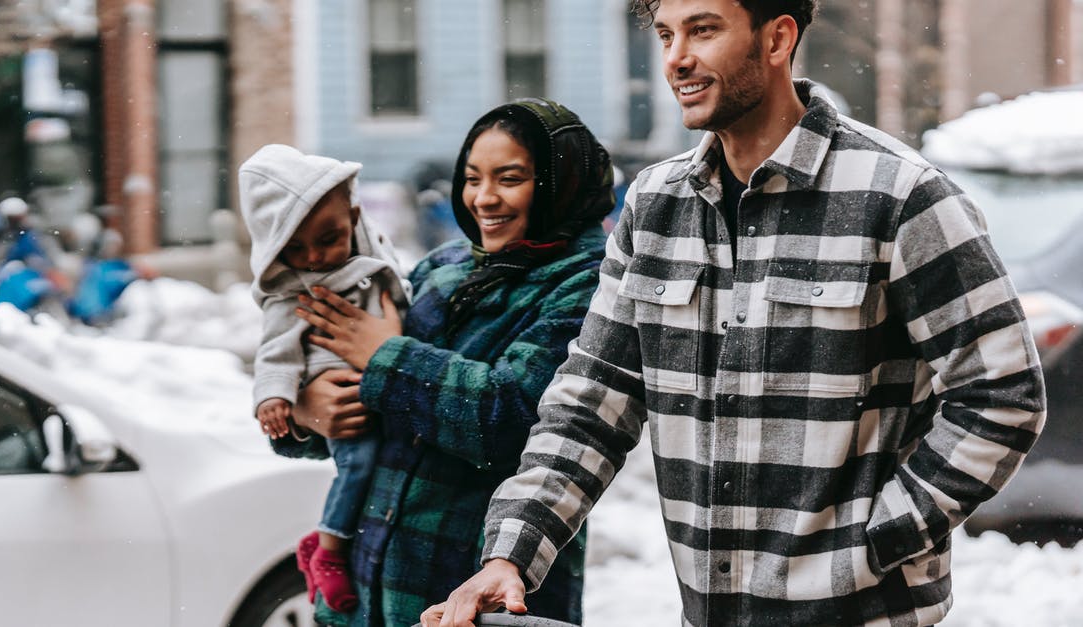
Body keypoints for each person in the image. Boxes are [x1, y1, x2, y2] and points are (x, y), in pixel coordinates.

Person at [424, 1, 1047, 626]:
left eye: (704, 30)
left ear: (777, 39)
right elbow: (593, 401)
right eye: (667, 34)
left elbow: (1002, 393)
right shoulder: (654, 206)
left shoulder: (902, 197)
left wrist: (879, 540)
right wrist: (512, 551)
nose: (676, 59)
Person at [274, 98, 616, 626]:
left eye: (510, 178)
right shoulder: (444, 267)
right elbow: (372, 401)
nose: (484, 198)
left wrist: (385, 356)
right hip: (366, 592)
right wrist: (308, 412)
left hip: (478, 596)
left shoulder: (587, 285)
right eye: (473, 177)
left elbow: (513, 420)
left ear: (561, 181)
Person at [238, 144, 413, 612]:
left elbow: (401, 301)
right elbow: (275, 352)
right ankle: (330, 550)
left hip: (376, 393)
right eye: (294, 248)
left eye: (327, 238)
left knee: (375, 469)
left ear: (354, 218)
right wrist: (279, 400)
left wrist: (393, 343)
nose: (314, 257)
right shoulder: (292, 292)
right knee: (358, 463)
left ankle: (326, 546)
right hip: (341, 394)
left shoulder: (373, 261)